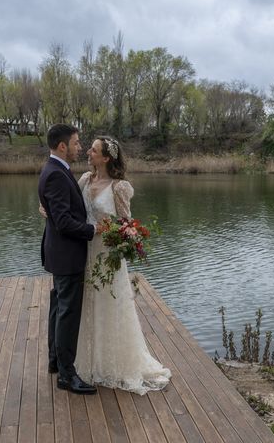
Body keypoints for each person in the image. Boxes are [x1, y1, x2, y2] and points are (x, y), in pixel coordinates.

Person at [75, 136, 171, 395]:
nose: (88, 152)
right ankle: (88, 360)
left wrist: (113, 231)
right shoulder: (84, 179)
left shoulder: (119, 187)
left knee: (109, 304)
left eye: (93, 150)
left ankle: (113, 364)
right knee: (88, 304)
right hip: (85, 253)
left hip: (108, 255)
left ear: (106, 158)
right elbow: (72, 211)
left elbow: (126, 223)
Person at [38, 124, 98, 395]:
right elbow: (63, 221)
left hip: (59, 253)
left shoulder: (55, 170)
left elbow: (56, 212)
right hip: (67, 254)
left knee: (58, 307)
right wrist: (93, 230)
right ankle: (67, 375)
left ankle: (55, 362)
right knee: (68, 313)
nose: (80, 147)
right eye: (76, 143)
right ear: (62, 146)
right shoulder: (56, 175)